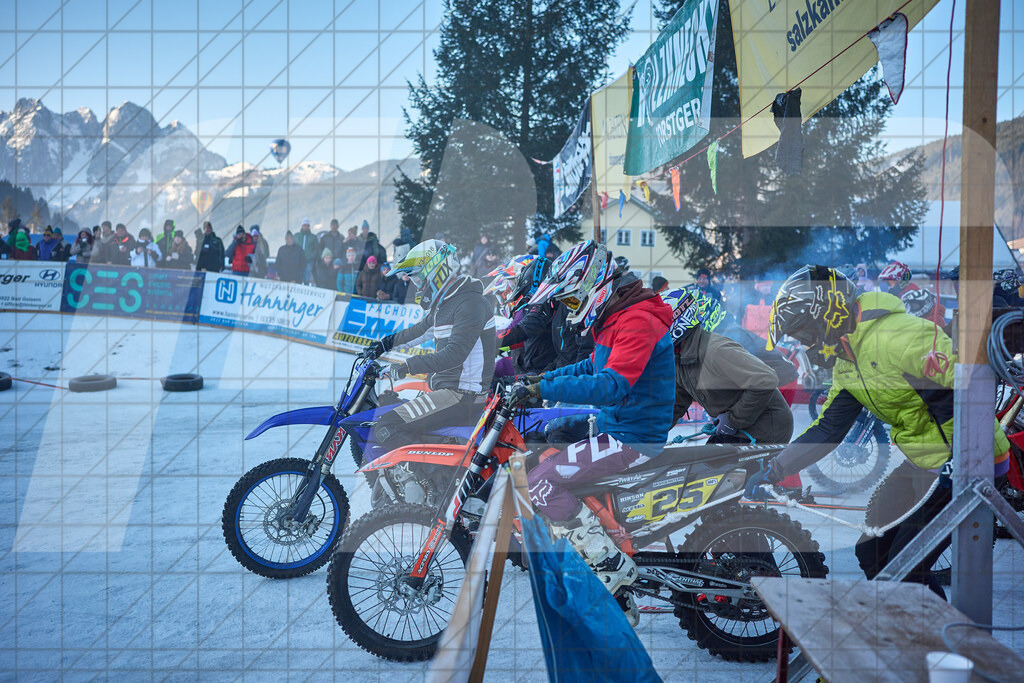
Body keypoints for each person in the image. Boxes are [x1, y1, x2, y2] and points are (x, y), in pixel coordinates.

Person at [748, 265, 1012, 598]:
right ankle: (911, 625)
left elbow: (969, 386)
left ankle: (930, 640)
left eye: (804, 333)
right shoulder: (847, 360)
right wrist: (775, 469)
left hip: (971, 460)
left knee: (905, 564)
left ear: (826, 314)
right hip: (924, 462)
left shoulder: (899, 335)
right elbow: (829, 428)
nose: (805, 343)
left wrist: (961, 458)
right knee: (871, 551)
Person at [513, 240, 675, 624]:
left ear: (593, 288)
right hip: (617, 426)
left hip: (632, 437)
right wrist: (538, 380)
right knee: (548, 451)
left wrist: (543, 390)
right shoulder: (619, 317)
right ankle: (616, 591)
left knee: (540, 483)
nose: (571, 310)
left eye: (572, 301)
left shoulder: (636, 319)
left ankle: (610, 566)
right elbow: (590, 365)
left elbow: (610, 385)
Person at [365, 239, 496, 452]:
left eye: (419, 278)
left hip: (463, 396)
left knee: (386, 426)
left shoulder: (470, 304)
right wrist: (383, 345)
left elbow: (455, 354)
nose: (418, 285)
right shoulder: (446, 304)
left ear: (437, 271)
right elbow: (418, 331)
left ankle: (425, 476)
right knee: (386, 408)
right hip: (448, 391)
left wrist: (407, 366)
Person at [661, 288, 793, 445]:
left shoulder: (715, 350)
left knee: (709, 467)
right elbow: (677, 403)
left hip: (767, 428)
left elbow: (765, 379)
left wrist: (732, 420)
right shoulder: (679, 358)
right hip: (739, 427)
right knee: (700, 466)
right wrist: (644, 436)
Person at [878, 261, 945, 326]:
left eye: (891, 283)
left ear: (901, 281)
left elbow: (906, 321)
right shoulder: (900, 294)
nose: (889, 287)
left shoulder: (912, 295)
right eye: (888, 284)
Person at [294, 218, 319, 284]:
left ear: (309, 226)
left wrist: (310, 257)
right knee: (297, 278)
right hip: (298, 261)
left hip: (308, 262)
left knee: (307, 278)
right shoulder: (296, 236)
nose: (305, 227)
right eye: (304, 225)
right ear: (301, 226)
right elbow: (293, 248)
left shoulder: (313, 237)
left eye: (307, 225)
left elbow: (316, 249)